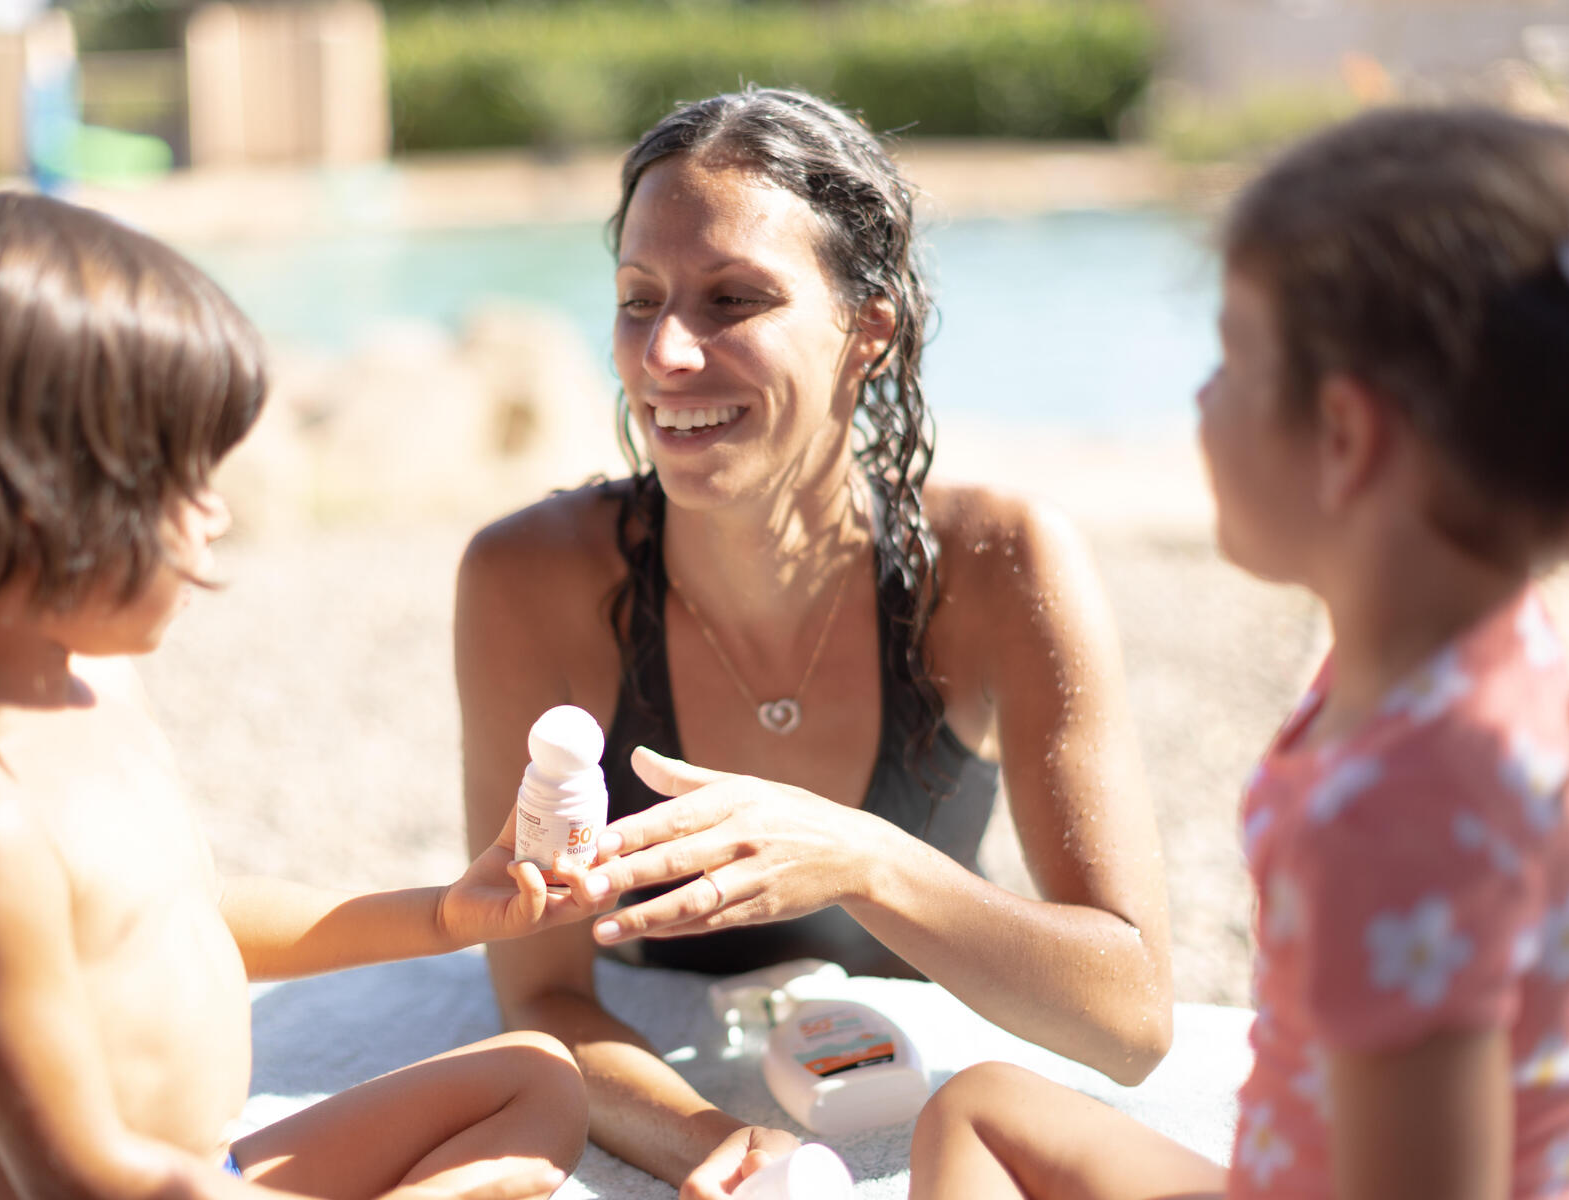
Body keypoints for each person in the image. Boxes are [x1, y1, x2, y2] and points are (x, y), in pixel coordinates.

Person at [0, 189, 594, 1200]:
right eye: (176, 480)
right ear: (25, 502)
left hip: (208, 1172)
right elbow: (75, 1172)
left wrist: (440, 914)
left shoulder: (94, 683)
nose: (215, 514)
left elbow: (178, 914)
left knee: (536, 1081)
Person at [455, 86, 1174, 1199]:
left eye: (733, 300)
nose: (666, 356)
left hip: (930, 1095)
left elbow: (1130, 1017)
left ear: (867, 332)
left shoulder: (1000, 566)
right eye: (639, 301)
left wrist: (863, 856)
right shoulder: (529, 580)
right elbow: (540, 991)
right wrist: (711, 1142)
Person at [904, 105, 1569, 1199]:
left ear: (1346, 438)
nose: (1200, 396)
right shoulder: (1478, 654)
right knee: (981, 1108)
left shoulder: (1396, 814)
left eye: (1229, 361)